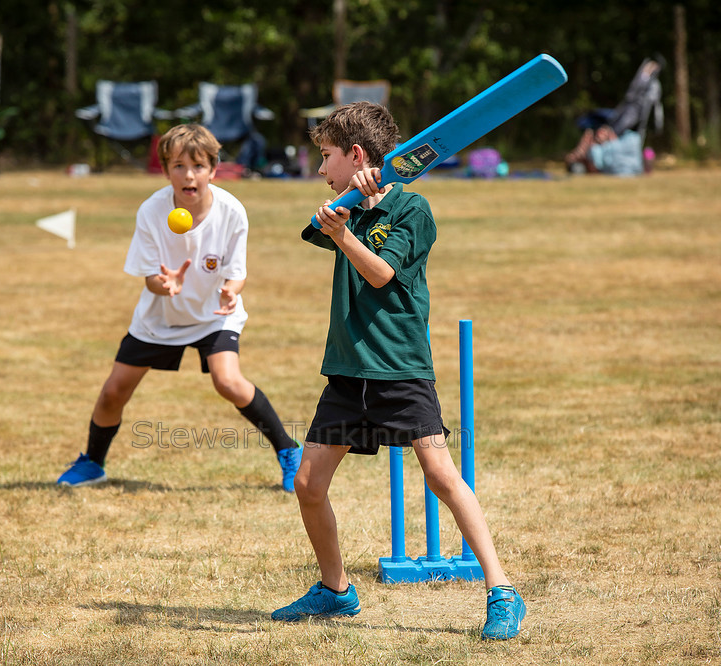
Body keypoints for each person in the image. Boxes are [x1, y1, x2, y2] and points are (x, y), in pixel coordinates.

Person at [270, 102, 526, 640]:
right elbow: (314, 230)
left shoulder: (414, 211)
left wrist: (346, 231)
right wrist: (345, 212)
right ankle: (336, 591)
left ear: (357, 155)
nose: (321, 169)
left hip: (400, 369)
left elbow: (383, 274)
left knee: (441, 476)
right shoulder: (344, 209)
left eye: (327, 157)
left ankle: (502, 591)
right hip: (347, 372)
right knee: (307, 483)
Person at [57, 124, 302, 491]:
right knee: (113, 392)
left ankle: (289, 451)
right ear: (165, 169)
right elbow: (150, 278)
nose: (189, 175)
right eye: (177, 166)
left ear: (214, 169)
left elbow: (237, 274)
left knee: (229, 381)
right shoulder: (152, 211)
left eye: (198, 166)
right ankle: (93, 462)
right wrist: (164, 283)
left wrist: (231, 293)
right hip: (160, 317)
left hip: (214, 315)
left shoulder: (232, 211)